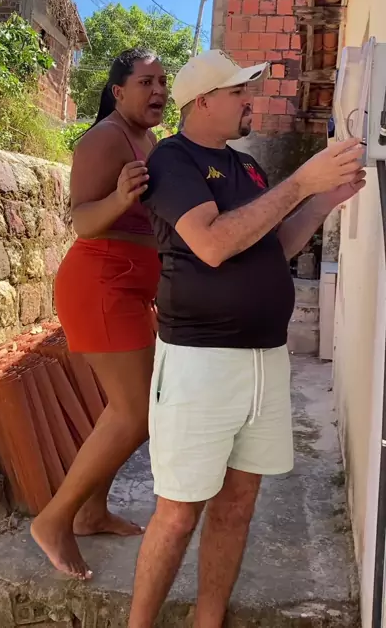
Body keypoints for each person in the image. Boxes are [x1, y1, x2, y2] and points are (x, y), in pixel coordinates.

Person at [128, 49, 365, 628]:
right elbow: (212, 244)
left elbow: (274, 245)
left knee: (237, 506)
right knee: (178, 513)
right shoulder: (172, 160)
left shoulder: (249, 168)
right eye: (238, 92)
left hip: (265, 361)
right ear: (203, 102)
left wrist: (324, 200)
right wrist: (301, 182)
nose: (248, 101)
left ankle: (208, 621)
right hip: (200, 365)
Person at [31, 47, 168, 580]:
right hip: (100, 285)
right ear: (118, 91)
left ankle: (90, 513)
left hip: (129, 289)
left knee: (129, 408)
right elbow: (83, 219)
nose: (158, 91)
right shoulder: (103, 139)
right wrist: (119, 198)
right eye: (146, 82)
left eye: (162, 81)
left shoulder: (149, 140)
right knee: (137, 412)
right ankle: (54, 520)